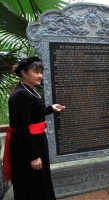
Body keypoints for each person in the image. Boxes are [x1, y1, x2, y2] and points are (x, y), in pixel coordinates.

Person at [3, 57, 66, 200]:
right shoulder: (20, 95)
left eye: (41, 72)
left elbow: (33, 114)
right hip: (28, 144)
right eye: (36, 72)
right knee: (31, 182)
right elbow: (22, 128)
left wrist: (50, 108)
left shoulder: (28, 90)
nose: (40, 75)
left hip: (36, 140)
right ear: (24, 73)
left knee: (39, 180)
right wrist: (33, 156)